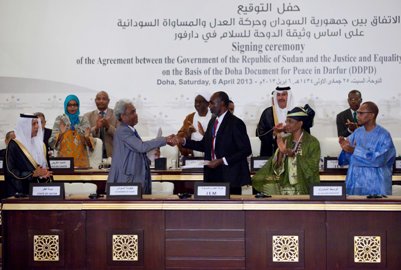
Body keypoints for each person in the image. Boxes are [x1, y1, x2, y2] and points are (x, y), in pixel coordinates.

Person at [176, 91, 252, 195]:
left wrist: (221, 160)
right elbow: (204, 145)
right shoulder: (212, 122)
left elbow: (246, 150)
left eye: (212, 103)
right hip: (212, 175)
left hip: (230, 176)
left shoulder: (236, 123)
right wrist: (183, 141)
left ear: (222, 103)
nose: (209, 106)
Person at [107, 99, 174, 194]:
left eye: (135, 111)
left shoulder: (131, 130)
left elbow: (136, 153)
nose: (136, 114)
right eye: (132, 112)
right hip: (127, 182)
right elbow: (141, 147)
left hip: (135, 179)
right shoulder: (123, 130)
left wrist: (151, 155)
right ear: (123, 116)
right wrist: (164, 140)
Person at [252, 105, 320, 195]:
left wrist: (293, 155)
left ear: (300, 123)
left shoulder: (312, 142)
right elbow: (277, 166)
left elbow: (313, 167)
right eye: (286, 121)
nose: (286, 124)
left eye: (290, 121)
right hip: (285, 187)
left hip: (304, 187)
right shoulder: (285, 139)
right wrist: (281, 150)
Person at [338, 101, 396, 195]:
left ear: (371, 115)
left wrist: (354, 150)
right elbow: (344, 160)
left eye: (361, 113)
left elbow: (379, 160)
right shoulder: (357, 133)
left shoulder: (384, 135)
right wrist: (345, 149)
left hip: (376, 185)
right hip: (355, 183)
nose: (357, 116)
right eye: (357, 113)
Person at [4, 114, 52, 197]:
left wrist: (45, 174)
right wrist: (32, 174)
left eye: (38, 123)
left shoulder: (41, 145)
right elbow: (10, 171)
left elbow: (46, 168)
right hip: (19, 192)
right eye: (34, 124)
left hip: (40, 191)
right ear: (24, 126)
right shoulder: (14, 144)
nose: (37, 126)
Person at [49, 94, 95, 168]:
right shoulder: (60, 120)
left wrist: (87, 137)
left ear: (78, 106)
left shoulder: (83, 120)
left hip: (81, 163)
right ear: (66, 106)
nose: (72, 107)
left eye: (75, 105)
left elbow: (92, 146)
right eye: (69, 105)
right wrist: (61, 134)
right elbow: (51, 143)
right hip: (64, 163)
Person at [256, 86, 294, 157]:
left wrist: (287, 130)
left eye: (284, 94)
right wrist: (273, 133)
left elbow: (303, 133)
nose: (281, 98)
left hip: (291, 153)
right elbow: (260, 133)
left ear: (289, 96)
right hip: (271, 153)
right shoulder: (267, 113)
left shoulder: (296, 113)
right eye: (278, 95)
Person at [177, 92, 211, 157]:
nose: (197, 104)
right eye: (196, 102)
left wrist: (204, 134)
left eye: (200, 102)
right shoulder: (190, 118)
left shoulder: (214, 118)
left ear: (207, 104)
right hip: (192, 157)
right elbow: (180, 137)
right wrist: (188, 133)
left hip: (210, 158)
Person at [84, 91, 118, 158]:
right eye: (98, 99)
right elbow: (85, 137)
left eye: (104, 99)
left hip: (113, 155)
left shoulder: (116, 115)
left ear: (108, 101)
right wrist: (96, 128)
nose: (101, 101)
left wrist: (108, 126)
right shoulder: (87, 116)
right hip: (93, 156)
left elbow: (121, 135)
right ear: (95, 101)